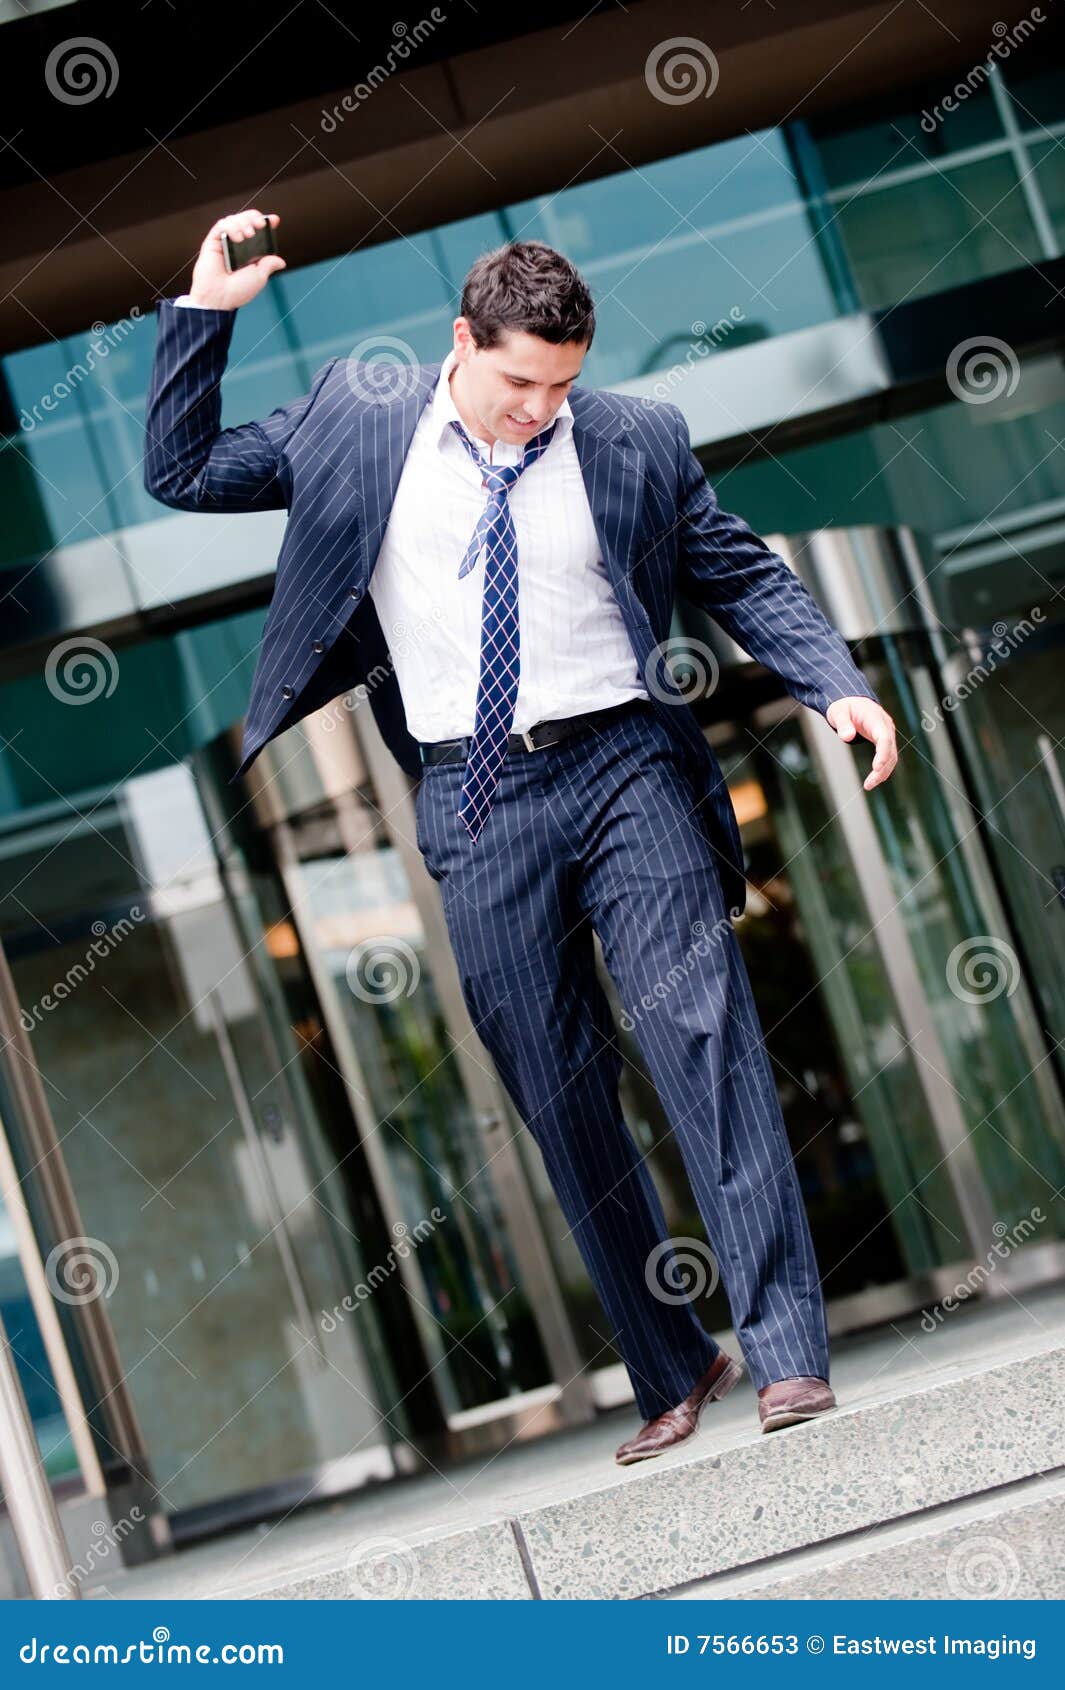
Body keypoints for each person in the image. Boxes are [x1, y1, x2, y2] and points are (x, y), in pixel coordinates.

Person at [144, 211, 898, 1465]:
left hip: (625, 769)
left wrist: (838, 682)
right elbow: (183, 474)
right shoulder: (356, 416)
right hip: (474, 792)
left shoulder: (633, 438)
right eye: (517, 383)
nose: (540, 409)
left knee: (700, 1036)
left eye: (562, 384)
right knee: (558, 1093)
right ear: (460, 343)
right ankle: (672, 1362)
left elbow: (741, 570)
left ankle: (786, 1353)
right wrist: (204, 318)